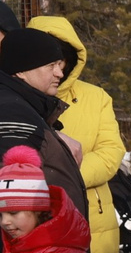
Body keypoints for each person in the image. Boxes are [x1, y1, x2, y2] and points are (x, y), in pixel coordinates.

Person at [25, 17, 123, 253]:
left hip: (87, 217)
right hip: (28, 216)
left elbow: (111, 152)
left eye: (61, 60)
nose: (58, 68)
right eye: (49, 61)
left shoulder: (96, 97)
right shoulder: (15, 99)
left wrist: (66, 176)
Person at [0, 145, 99, 253]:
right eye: (0, 215)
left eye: (13, 212)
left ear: (38, 210)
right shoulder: (19, 245)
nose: (5, 222)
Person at [0, 24, 85, 208]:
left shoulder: (24, 105)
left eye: (59, 64)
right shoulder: (13, 112)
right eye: (51, 65)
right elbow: (14, 200)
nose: (60, 73)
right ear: (21, 70)